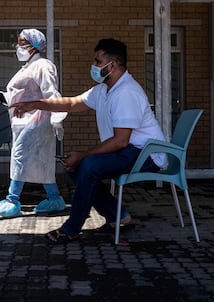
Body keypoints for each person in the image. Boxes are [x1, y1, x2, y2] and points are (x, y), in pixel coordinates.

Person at [10, 38, 168, 243]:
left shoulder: (126, 92)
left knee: (89, 165)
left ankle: (72, 228)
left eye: (97, 62)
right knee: (75, 166)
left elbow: (120, 141)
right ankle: (118, 216)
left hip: (147, 153)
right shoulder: (104, 90)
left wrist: (83, 155)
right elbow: (72, 103)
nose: (93, 67)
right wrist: (35, 104)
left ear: (112, 65)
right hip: (129, 149)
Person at [0, 29, 68, 218]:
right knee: (41, 160)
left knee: (19, 155)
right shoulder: (26, 68)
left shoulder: (43, 65)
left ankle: (12, 199)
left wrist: (57, 119)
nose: (18, 47)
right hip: (24, 121)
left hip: (39, 120)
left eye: (22, 43)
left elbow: (51, 92)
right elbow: (16, 95)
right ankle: (54, 198)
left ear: (34, 46)